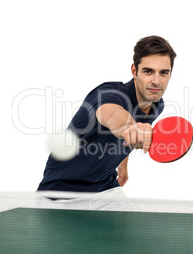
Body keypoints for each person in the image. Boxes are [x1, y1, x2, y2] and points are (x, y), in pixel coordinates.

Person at [37, 35, 177, 193]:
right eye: (148, 71)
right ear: (134, 71)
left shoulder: (157, 105)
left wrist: (122, 164)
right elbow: (113, 116)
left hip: (104, 185)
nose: (156, 81)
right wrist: (129, 128)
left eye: (164, 73)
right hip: (60, 189)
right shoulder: (109, 94)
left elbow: (126, 137)